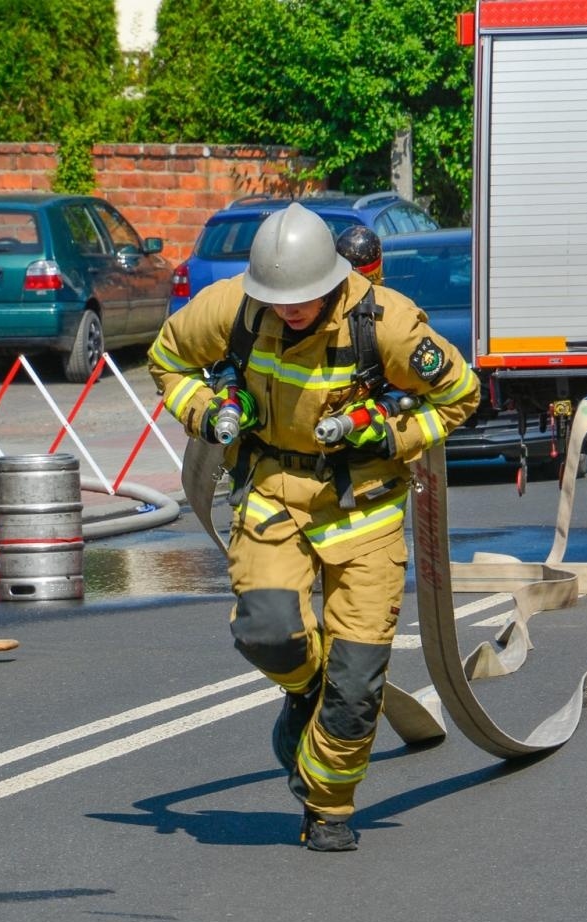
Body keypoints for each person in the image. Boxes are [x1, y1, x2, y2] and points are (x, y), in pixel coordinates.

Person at [148, 203, 480, 851]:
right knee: (268, 632)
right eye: (279, 300)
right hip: (273, 486)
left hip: (367, 506)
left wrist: (390, 431)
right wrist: (208, 410)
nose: (290, 309)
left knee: (356, 687)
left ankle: (327, 805)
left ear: (332, 279)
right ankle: (303, 693)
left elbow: (460, 396)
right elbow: (167, 359)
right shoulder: (233, 308)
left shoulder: (386, 325)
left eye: (303, 298)